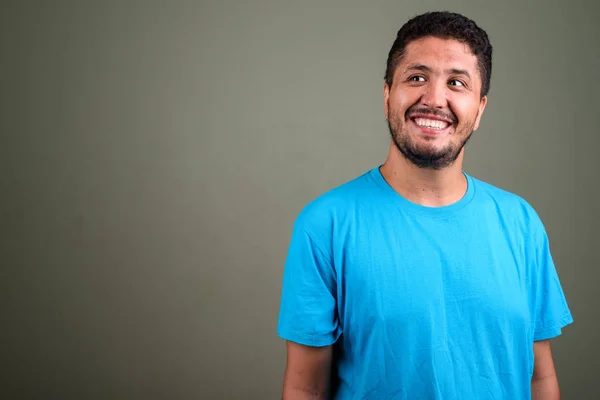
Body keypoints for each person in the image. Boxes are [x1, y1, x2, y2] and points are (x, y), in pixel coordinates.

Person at [277, 10, 573, 400]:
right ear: (387, 95)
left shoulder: (521, 223)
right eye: (417, 77)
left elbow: (539, 379)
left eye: (456, 83)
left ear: (480, 109)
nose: (434, 99)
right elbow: (305, 390)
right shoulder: (325, 226)